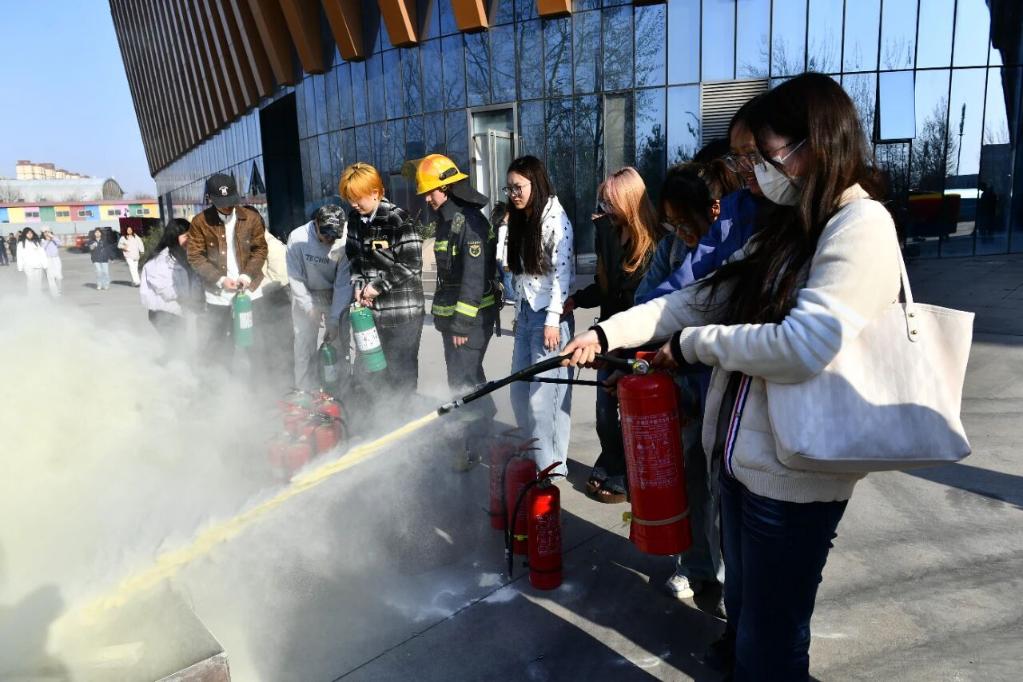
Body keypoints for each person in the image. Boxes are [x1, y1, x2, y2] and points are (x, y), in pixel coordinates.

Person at [564, 72, 897, 680]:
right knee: (744, 609)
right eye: (746, 160)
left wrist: (691, 346)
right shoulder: (786, 226)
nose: (751, 172)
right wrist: (606, 334)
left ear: (816, 144)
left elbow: (804, 345)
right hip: (744, 465)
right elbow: (696, 298)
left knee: (773, 641)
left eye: (761, 157)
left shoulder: (860, 226)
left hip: (794, 480)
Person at [562, 167, 663, 503]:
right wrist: (577, 299)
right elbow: (605, 288)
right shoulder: (608, 231)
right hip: (608, 335)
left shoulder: (655, 244)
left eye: (610, 202)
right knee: (605, 412)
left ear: (630, 202)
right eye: (603, 202)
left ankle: (624, 472)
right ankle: (611, 459)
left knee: (633, 412)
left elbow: (641, 304)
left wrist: (623, 349)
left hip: (640, 342)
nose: (604, 208)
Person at [408, 153, 499, 466]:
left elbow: (473, 279)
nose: (427, 199)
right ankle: (482, 428)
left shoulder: (469, 223)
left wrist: (461, 325)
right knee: (467, 379)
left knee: (462, 382)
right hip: (455, 321)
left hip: (470, 322)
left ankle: (472, 445)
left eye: (430, 192)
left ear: (446, 188)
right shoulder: (448, 222)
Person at [506, 155, 575, 477]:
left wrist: (552, 320)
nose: (513, 194)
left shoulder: (556, 220)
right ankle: (537, 456)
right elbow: (522, 275)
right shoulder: (523, 219)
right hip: (526, 314)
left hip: (549, 318)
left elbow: (562, 274)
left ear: (536, 183)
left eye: (518, 187)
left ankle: (550, 467)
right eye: (509, 189)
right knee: (519, 392)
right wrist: (518, 311)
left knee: (545, 400)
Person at [340, 162, 425, 411]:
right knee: (368, 371)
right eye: (349, 199)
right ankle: (372, 421)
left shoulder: (398, 219)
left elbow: (412, 263)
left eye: (357, 198)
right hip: (370, 314)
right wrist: (358, 284)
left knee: (400, 375)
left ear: (375, 192)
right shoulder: (355, 219)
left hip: (402, 314)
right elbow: (353, 256)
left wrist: (378, 286)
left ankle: (403, 422)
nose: (353, 204)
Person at [186, 173, 269, 361]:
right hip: (218, 295)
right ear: (210, 199)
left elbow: (260, 249)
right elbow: (195, 256)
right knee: (219, 344)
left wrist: (247, 275)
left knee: (256, 343)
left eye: (231, 201)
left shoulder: (251, 218)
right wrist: (220, 279)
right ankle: (221, 378)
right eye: (222, 203)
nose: (227, 207)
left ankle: (260, 378)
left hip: (250, 291)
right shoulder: (200, 222)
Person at [286, 204, 354, 393]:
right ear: (316, 223)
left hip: (333, 293)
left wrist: (334, 319)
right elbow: (295, 277)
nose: (330, 240)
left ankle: (340, 391)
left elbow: (343, 284)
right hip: (305, 291)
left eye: (334, 236)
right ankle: (304, 390)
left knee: (338, 343)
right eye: (326, 235)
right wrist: (308, 306)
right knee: (303, 345)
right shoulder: (298, 238)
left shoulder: (345, 240)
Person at [140, 218, 202, 351]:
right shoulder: (160, 261)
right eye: (186, 236)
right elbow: (165, 289)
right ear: (174, 236)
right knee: (178, 348)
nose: (190, 240)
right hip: (164, 312)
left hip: (180, 311)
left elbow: (194, 280)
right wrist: (188, 298)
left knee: (180, 348)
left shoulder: (185, 256)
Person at [492, 201, 515, 305]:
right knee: (508, 277)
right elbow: (500, 243)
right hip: (504, 259)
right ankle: (510, 296)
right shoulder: (503, 227)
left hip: (505, 257)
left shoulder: (503, 226)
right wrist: (498, 257)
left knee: (504, 277)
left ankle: (501, 294)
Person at [16, 228, 48, 296]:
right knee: (31, 280)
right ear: (25, 234)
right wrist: (20, 267)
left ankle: (38, 294)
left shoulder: (36, 242)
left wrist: (45, 264)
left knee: (38, 281)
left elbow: (42, 254)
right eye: (28, 233)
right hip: (28, 266)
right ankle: (31, 295)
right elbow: (19, 256)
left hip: (38, 265)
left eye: (31, 233)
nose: (30, 234)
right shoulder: (21, 244)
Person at [41, 230, 63, 297]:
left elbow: (60, 243)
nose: (47, 233)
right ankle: (54, 293)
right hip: (47, 259)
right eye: (45, 232)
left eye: (48, 232)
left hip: (56, 259)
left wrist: (52, 237)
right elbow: (42, 249)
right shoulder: (42, 241)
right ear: (43, 233)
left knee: (59, 276)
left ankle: (59, 291)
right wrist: (47, 241)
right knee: (50, 277)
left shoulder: (54, 239)